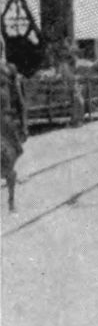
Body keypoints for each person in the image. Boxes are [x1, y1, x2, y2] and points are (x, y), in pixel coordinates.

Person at [0, 36, 27, 211]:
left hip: (5, 120)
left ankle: (11, 201)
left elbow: (20, 100)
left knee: (10, 158)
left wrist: (24, 124)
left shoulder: (9, 69)